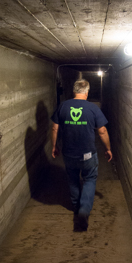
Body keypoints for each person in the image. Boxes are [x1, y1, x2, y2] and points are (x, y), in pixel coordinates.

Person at [51, 78, 112, 230]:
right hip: (88, 154)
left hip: (69, 153)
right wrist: (108, 148)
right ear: (87, 92)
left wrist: (54, 146)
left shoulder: (63, 106)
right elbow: (102, 131)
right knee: (90, 179)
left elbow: (54, 128)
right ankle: (84, 210)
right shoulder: (93, 108)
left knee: (72, 179)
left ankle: (75, 207)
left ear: (74, 91)